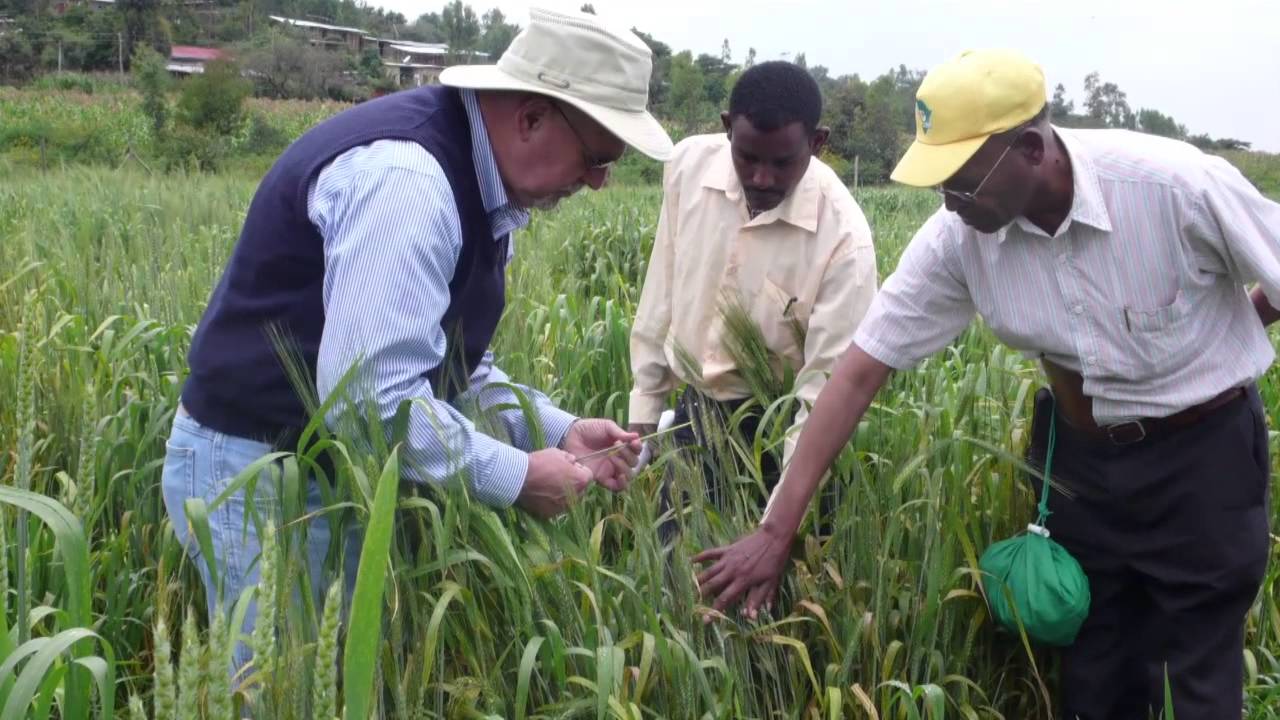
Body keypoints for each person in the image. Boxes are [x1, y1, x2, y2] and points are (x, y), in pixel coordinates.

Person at [693, 48, 1277, 719]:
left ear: (1030, 149)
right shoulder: (959, 235)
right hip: (1080, 470)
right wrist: (777, 529)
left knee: (1195, 682)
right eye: (938, 184)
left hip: (1201, 464)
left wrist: (1232, 327)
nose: (948, 202)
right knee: (1093, 672)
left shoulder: (1172, 187)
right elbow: (858, 372)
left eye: (962, 183)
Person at [160, 6, 673, 672]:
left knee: (336, 685)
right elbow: (369, 401)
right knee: (281, 694)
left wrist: (556, 431)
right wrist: (517, 477)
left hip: (328, 472)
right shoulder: (410, 183)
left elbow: (454, 369)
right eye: (597, 158)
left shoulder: (485, 188)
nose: (600, 182)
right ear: (531, 118)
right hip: (257, 475)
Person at [628, 61, 876, 533]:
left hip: (786, 434)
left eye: (782, 163)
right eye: (747, 158)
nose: (762, 178)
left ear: (818, 143)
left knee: (775, 576)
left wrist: (778, 524)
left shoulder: (844, 240)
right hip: (696, 417)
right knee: (672, 564)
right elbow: (661, 293)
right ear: (727, 128)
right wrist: (643, 414)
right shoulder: (687, 168)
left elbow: (824, 395)